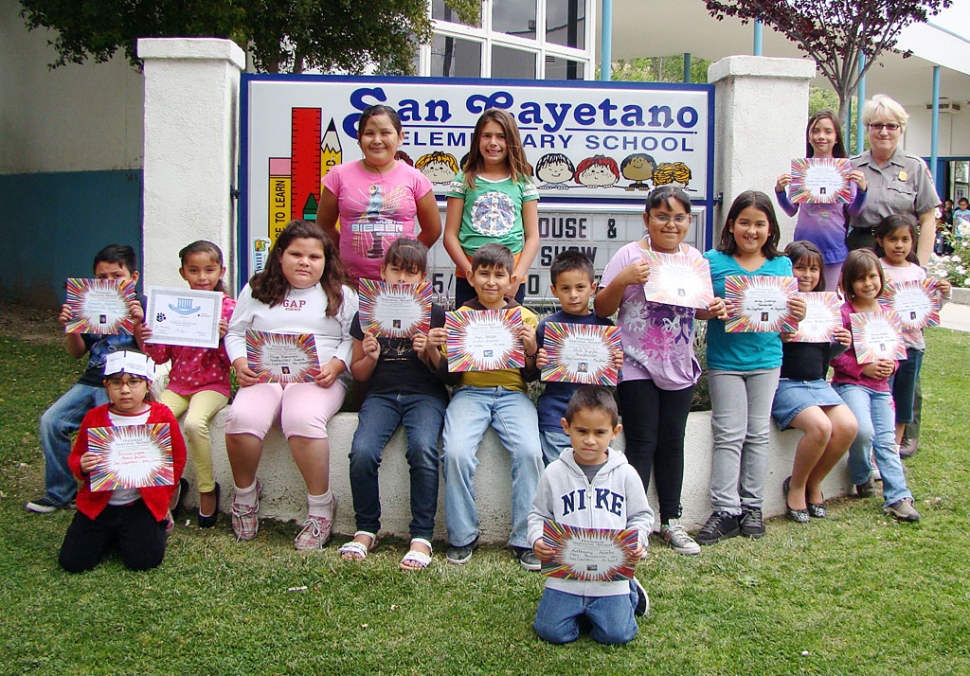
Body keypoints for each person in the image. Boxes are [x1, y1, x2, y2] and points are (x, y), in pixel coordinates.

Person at [595, 186, 726, 555]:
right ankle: (634, 524)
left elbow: (697, 307)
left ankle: (671, 520)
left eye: (679, 217)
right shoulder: (629, 255)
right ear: (646, 219)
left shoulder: (695, 259)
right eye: (662, 216)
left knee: (672, 443)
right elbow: (603, 308)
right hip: (636, 363)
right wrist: (624, 280)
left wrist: (712, 308)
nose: (671, 224)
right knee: (641, 442)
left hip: (680, 364)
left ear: (689, 221)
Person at [224, 220, 358, 549]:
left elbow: (352, 339)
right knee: (242, 418)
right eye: (296, 254)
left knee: (301, 418)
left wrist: (337, 364)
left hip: (318, 377)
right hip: (263, 374)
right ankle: (245, 495)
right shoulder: (256, 289)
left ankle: (320, 507)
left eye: (314, 257)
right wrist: (240, 363)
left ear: (326, 260)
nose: (304, 262)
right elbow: (235, 332)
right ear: (280, 256)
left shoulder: (341, 292)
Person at [696, 191, 806, 545]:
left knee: (757, 434)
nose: (751, 230)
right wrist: (709, 310)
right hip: (725, 362)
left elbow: (787, 330)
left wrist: (796, 319)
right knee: (728, 433)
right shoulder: (711, 261)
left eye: (760, 224)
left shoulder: (782, 266)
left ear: (771, 228)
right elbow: (695, 308)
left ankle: (752, 506)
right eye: (744, 222)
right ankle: (725, 509)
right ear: (731, 224)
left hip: (766, 361)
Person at [339, 239, 449, 570]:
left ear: (423, 279)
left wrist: (428, 350)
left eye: (411, 272)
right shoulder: (367, 312)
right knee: (362, 452)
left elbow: (446, 374)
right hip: (381, 395)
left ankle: (421, 537)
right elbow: (358, 373)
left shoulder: (436, 313)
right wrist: (371, 357)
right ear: (383, 272)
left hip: (425, 395)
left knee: (422, 450)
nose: (402, 278)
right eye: (396, 269)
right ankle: (366, 529)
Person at [439, 243, 544, 569]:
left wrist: (530, 351)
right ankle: (461, 535)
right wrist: (440, 352)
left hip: (513, 394)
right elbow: (450, 378)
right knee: (455, 452)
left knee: (530, 452)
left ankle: (526, 538)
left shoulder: (525, 317)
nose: (491, 281)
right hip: (469, 394)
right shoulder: (459, 318)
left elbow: (532, 376)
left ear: (512, 279)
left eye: (500, 275)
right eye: (484, 273)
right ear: (470, 276)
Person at [27, 244, 146, 514]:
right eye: (102, 278)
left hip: (124, 380)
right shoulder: (89, 304)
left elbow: (152, 354)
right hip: (92, 378)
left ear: (133, 277)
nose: (109, 283)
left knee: (108, 426)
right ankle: (60, 494)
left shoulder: (144, 304)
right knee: (51, 421)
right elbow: (77, 353)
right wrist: (71, 328)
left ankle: (112, 496)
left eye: (117, 276)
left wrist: (138, 322)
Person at [528, 386, 652, 645]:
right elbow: (538, 514)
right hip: (566, 578)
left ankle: (629, 593)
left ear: (615, 432)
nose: (590, 440)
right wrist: (537, 539)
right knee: (551, 632)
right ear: (566, 427)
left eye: (600, 432)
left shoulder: (626, 474)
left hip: (610, 578)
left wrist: (638, 540)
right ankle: (582, 612)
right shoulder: (554, 473)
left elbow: (641, 515)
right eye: (582, 431)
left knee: (617, 635)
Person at [58, 350, 187, 572]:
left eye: (133, 382)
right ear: (107, 386)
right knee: (73, 562)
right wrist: (82, 465)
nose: (125, 390)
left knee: (143, 561)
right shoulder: (95, 417)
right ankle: (109, 534)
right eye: (117, 383)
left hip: (140, 503)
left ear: (147, 385)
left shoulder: (161, 416)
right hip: (100, 503)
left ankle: (159, 521)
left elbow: (177, 458)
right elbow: (77, 455)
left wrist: (163, 495)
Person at [139, 241, 236, 527]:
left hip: (213, 385)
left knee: (194, 424)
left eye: (209, 270)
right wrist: (149, 334)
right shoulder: (170, 307)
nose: (202, 277)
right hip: (178, 384)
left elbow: (232, 359)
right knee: (151, 422)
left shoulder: (227, 309)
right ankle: (169, 485)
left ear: (221, 270)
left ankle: (207, 489)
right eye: (194, 271)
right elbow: (159, 356)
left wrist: (222, 337)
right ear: (183, 273)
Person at [831, 249, 921, 521]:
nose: (868, 283)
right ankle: (861, 475)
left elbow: (896, 351)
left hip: (881, 389)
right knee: (863, 431)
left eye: (872, 277)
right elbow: (836, 357)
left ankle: (898, 497)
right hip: (851, 384)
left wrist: (889, 366)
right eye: (860, 279)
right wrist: (863, 367)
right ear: (849, 283)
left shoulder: (887, 314)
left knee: (886, 440)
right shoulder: (844, 314)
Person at [773, 241, 858, 522]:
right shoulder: (777, 303)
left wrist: (840, 344)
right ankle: (795, 486)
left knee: (848, 426)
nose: (807, 275)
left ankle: (814, 481)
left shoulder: (825, 306)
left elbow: (823, 353)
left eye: (814, 269)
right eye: (800, 268)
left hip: (818, 384)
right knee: (820, 427)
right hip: (786, 383)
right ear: (787, 270)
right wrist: (779, 335)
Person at [318, 104, 442, 283]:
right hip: (349, 281)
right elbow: (324, 226)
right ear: (359, 138)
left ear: (400, 138)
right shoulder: (338, 175)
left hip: (401, 283)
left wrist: (408, 258)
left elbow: (432, 230)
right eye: (369, 133)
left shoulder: (416, 178)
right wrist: (345, 253)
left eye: (385, 133)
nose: (377, 140)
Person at [443, 109, 540, 308]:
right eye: (486, 135)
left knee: (508, 336)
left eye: (501, 137)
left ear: (511, 141)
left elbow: (533, 237)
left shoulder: (523, 182)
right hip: (470, 275)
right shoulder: (463, 180)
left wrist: (517, 275)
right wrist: (470, 272)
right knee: (468, 334)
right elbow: (450, 236)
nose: (493, 143)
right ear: (477, 139)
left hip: (510, 277)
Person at [534, 250, 621, 465]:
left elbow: (612, 379)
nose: (573, 294)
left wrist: (617, 366)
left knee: (594, 478)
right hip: (556, 417)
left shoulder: (606, 328)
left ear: (593, 287)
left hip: (596, 418)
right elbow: (539, 377)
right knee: (557, 477)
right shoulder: (547, 327)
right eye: (565, 288)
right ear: (554, 290)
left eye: (580, 287)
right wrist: (539, 364)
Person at [874, 215, 950, 457]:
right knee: (883, 395)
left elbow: (928, 310)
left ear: (913, 242)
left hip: (912, 346)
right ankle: (879, 447)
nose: (899, 245)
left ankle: (895, 448)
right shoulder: (875, 268)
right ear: (880, 240)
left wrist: (943, 295)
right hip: (883, 346)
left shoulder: (918, 273)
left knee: (904, 398)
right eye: (892, 239)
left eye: (905, 239)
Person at [774, 110, 868, 291]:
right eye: (815, 131)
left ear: (837, 138)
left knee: (827, 302)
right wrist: (779, 191)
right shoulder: (803, 169)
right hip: (803, 249)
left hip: (834, 249)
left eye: (828, 131)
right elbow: (791, 210)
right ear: (808, 136)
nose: (821, 136)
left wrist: (862, 190)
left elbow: (854, 211)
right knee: (800, 299)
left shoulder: (845, 169)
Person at [848, 94, 940, 265]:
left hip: (902, 253)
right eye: (877, 125)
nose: (884, 132)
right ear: (867, 128)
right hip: (861, 252)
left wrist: (921, 266)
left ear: (901, 129)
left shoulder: (915, 167)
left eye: (891, 126)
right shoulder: (852, 166)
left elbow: (928, 220)